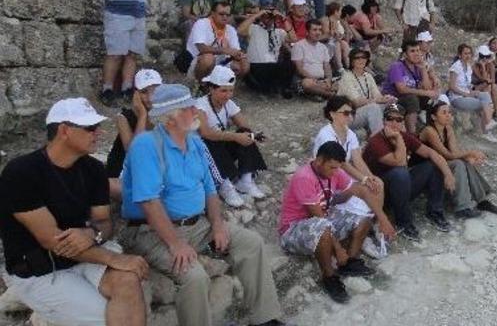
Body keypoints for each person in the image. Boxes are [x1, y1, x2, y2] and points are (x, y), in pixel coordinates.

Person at [120, 83, 285, 326]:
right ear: (170, 118)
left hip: (198, 225)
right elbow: (149, 202)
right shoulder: (146, 146)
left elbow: (209, 188)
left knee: (251, 243)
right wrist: (175, 244)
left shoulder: (195, 142)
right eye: (189, 109)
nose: (197, 112)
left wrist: (218, 225)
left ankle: (265, 318)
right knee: (194, 276)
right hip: (152, 230)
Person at [0, 98, 148, 326]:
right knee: (107, 317)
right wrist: (114, 258)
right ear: (64, 131)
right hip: (40, 269)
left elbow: (103, 222)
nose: (98, 132)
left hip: (86, 253)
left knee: (129, 287)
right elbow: (53, 241)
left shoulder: (95, 170)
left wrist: (91, 234)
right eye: (90, 128)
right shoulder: (21, 173)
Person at [279, 141, 390, 303]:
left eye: (338, 167)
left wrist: (382, 218)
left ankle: (349, 262)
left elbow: (352, 192)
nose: (336, 172)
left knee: (363, 216)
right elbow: (318, 218)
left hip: (321, 221)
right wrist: (337, 250)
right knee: (323, 226)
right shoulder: (304, 177)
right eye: (332, 167)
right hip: (293, 230)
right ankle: (329, 277)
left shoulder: (334, 171)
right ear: (319, 161)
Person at [362, 104, 455, 241]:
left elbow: (430, 152)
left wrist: (448, 174)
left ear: (403, 122)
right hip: (380, 193)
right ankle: (404, 222)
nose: (394, 123)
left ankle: (435, 212)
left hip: (400, 188)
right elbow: (399, 162)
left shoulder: (405, 135)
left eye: (398, 120)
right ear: (384, 121)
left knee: (433, 165)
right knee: (400, 173)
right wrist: (399, 139)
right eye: (390, 119)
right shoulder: (376, 141)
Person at [195, 66, 269, 208]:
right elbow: (205, 132)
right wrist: (235, 137)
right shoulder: (200, 106)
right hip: (204, 153)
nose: (228, 95)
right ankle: (225, 185)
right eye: (223, 91)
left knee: (245, 132)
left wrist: (254, 136)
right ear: (211, 89)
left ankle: (245, 180)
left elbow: (243, 125)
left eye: (230, 90)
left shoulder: (229, 104)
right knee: (210, 140)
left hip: (220, 147)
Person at [420, 101, 497, 218]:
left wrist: (468, 157)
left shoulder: (447, 127)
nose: (448, 115)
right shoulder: (429, 131)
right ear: (433, 117)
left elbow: (454, 152)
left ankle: (481, 201)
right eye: (444, 113)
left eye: (449, 112)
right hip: (426, 166)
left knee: (463, 161)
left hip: (441, 162)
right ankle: (462, 207)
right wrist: (470, 152)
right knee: (458, 163)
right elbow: (447, 154)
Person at [105, 69, 163, 200]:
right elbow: (134, 152)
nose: (150, 97)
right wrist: (142, 115)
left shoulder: (164, 115)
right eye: (144, 92)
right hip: (125, 171)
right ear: (136, 94)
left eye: (155, 91)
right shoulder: (124, 117)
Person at [381, 40, 441, 134]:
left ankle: (431, 130)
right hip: (393, 99)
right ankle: (412, 133)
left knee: (431, 100)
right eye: (412, 51)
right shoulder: (397, 66)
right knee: (412, 99)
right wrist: (426, 92)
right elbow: (401, 89)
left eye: (418, 50)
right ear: (405, 54)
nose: (416, 54)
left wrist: (423, 69)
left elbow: (427, 88)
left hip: (409, 97)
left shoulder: (417, 66)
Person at [238, 7, 296, 99]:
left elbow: (293, 39)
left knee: (290, 64)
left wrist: (283, 18)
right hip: (256, 67)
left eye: (272, 17)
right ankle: (267, 89)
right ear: (261, 17)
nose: (269, 19)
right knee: (270, 69)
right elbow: (240, 31)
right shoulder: (253, 28)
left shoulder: (279, 32)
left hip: (272, 66)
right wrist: (258, 15)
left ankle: (283, 89)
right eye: (266, 17)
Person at [447, 44, 497, 143]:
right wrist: (466, 94)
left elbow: (468, 86)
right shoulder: (456, 67)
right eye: (465, 53)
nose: (468, 56)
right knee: (485, 105)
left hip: (466, 94)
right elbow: (452, 87)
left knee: (485, 95)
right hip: (457, 98)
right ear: (460, 55)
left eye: (469, 53)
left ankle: (488, 126)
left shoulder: (468, 67)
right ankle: (487, 130)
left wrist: (472, 92)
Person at [185, 1, 250, 81]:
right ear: (213, 14)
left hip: (220, 61)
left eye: (228, 15)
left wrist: (239, 55)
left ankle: (226, 86)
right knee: (208, 58)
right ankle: (199, 84)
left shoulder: (230, 29)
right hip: (197, 61)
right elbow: (202, 48)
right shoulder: (202, 23)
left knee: (244, 64)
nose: (225, 17)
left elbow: (236, 50)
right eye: (221, 14)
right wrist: (225, 50)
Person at [338, 49, 397, 136]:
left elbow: (378, 96)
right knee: (373, 108)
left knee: (393, 105)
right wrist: (377, 100)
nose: (361, 60)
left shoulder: (368, 76)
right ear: (352, 61)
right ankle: (379, 141)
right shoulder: (347, 77)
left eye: (363, 57)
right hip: (348, 115)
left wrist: (388, 99)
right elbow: (356, 102)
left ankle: (396, 136)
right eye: (357, 58)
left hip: (364, 110)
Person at [292, 19, 336, 99]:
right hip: (306, 79)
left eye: (320, 30)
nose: (318, 33)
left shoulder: (323, 47)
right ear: (307, 32)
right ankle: (330, 94)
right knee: (307, 84)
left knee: (339, 83)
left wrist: (328, 79)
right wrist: (315, 80)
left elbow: (327, 67)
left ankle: (320, 93)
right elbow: (299, 69)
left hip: (321, 80)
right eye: (315, 30)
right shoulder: (299, 46)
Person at [474, 44, 497, 122]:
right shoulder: (475, 66)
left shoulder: (490, 65)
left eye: (487, 56)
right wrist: (483, 67)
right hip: (475, 86)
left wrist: (488, 81)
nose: (484, 58)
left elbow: (492, 80)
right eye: (482, 56)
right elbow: (482, 79)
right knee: (487, 87)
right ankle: (488, 115)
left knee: (494, 87)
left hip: (486, 85)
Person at [320, 2, 350, 74]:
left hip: (331, 42)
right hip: (323, 43)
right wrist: (335, 33)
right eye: (340, 11)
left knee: (344, 44)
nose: (341, 13)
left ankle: (348, 66)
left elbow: (336, 36)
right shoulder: (325, 20)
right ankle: (339, 67)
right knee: (337, 43)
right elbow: (327, 36)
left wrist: (341, 35)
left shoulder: (336, 21)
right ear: (335, 11)